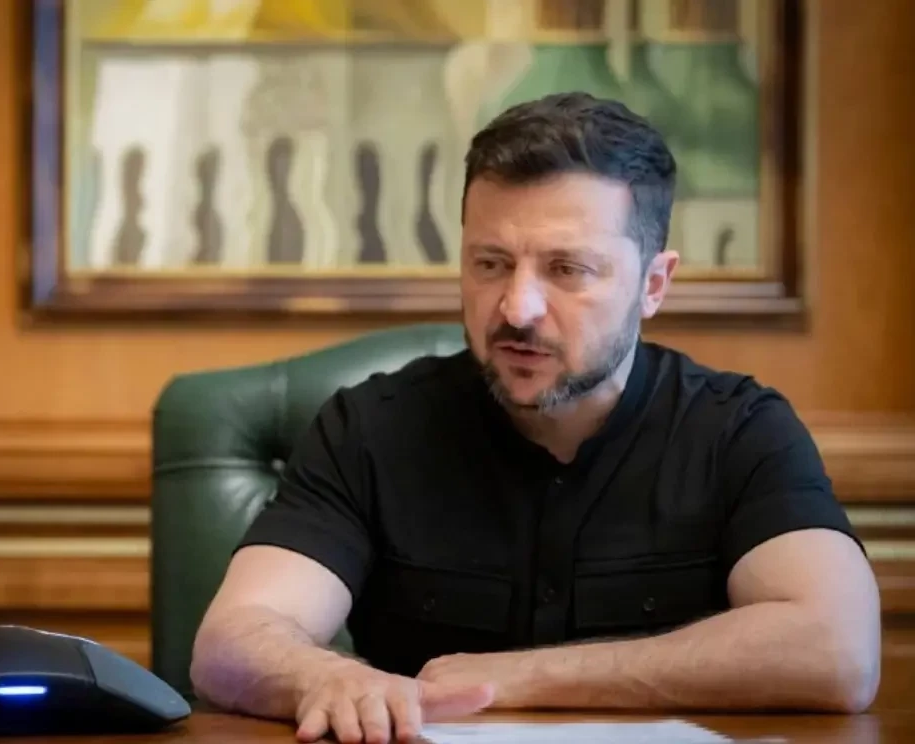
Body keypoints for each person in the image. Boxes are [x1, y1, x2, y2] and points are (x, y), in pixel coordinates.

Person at [189, 92, 881, 743]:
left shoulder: (739, 430)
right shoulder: (368, 429)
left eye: (567, 269)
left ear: (653, 284)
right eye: (491, 263)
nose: (517, 308)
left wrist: (514, 678)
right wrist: (326, 677)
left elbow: (838, 650)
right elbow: (230, 641)